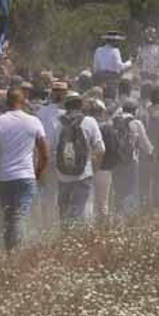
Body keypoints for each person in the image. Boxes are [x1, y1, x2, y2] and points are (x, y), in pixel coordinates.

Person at [0, 87, 48, 252]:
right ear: (23, 101)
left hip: (4, 177)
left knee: (7, 217)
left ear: (7, 102)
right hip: (26, 175)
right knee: (19, 216)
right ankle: (16, 254)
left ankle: (8, 252)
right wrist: (38, 173)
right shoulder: (33, 121)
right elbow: (45, 154)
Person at [52, 92, 103, 223]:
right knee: (81, 213)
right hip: (83, 175)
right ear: (81, 105)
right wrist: (94, 168)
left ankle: (64, 240)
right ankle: (78, 240)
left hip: (63, 176)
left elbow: (52, 149)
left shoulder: (58, 124)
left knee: (64, 215)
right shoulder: (90, 122)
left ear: (66, 106)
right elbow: (100, 149)